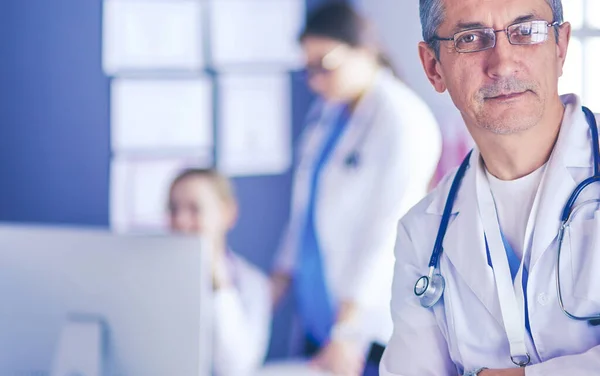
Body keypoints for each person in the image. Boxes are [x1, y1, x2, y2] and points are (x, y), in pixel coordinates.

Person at [381, 0, 600, 375]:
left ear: (560, 47)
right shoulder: (422, 233)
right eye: (470, 38)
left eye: (526, 30)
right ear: (434, 67)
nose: (502, 64)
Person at [271, 3, 442, 375]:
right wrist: (270, 290)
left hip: (368, 326)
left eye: (325, 64)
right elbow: (306, 213)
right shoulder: (327, 116)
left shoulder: (402, 119)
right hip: (322, 317)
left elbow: (387, 230)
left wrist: (348, 329)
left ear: (364, 50)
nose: (315, 80)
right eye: (308, 69)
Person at [168, 169, 271, 376]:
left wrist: (218, 281)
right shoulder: (151, 277)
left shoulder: (252, 283)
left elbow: (237, 367)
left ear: (227, 213)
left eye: (194, 209)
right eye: (173, 209)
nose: (180, 221)